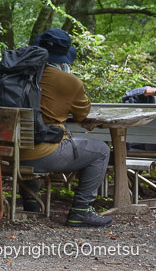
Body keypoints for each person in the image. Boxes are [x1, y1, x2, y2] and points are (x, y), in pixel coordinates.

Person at [19, 28, 113, 227]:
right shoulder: (69, 81)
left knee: (29, 138)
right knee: (101, 150)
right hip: (42, 154)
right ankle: (81, 211)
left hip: (9, 151)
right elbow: (82, 114)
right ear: (63, 59)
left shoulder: (15, 73)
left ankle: (31, 203)